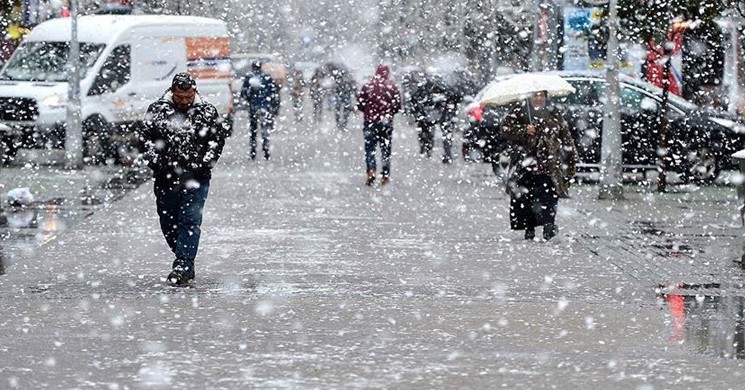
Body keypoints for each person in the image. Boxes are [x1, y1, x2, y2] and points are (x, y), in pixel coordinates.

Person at [140, 72, 229, 285]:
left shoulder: (207, 112)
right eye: (180, 97)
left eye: (188, 97)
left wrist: (203, 164)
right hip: (166, 178)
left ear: (194, 92)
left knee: (189, 221)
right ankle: (182, 253)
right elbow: (145, 140)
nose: (184, 102)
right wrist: (156, 163)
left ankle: (183, 265)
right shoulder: (157, 111)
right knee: (168, 223)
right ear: (172, 92)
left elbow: (216, 142)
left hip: (196, 179)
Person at [501, 91, 578, 241]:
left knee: (549, 196)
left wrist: (571, 159)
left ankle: (549, 226)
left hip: (548, 164)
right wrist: (524, 130)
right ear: (530, 97)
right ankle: (529, 228)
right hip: (525, 164)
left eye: (541, 95)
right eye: (535, 95)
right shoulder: (520, 111)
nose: (538, 98)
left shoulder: (553, 113)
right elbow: (505, 130)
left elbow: (565, 136)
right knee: (527, 197)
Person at [356, 64, 401, 186]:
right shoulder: (392, 87)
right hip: (386, 123)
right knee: (386, 149)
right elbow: (397, 106)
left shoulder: (368, 86)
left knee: (370, 148)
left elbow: (360, 104)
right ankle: (385, 175)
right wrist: (388, 113)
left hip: (370, 121)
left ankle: (371, 171)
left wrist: (368, 112)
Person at [241, 61, 280, 160]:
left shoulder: (249, 78)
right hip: (265, 107)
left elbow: (244, 92)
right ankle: (266, 149)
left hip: (253, 107)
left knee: (253, 130)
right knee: (265, 129)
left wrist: (249, 100)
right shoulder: (267, 78)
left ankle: (253, 151)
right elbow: (274, 92)